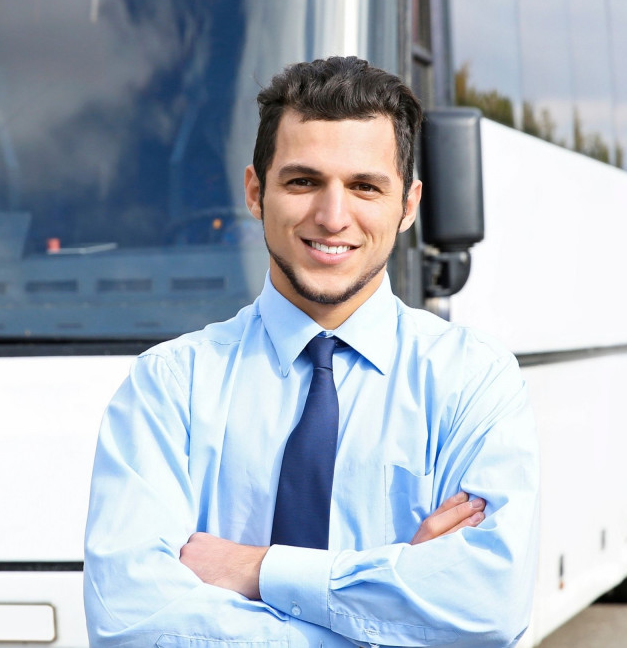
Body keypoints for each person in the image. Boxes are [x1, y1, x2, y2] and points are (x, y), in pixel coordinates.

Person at [84, 56, 539, 647]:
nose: (332, 216)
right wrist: (393, 597)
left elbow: (488, 605)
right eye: (303, 181)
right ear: (256, 192)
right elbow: (129, 623)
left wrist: (256, 569)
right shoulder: (168, 385)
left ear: (408, 206)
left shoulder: (472, 380)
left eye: (364, 187)